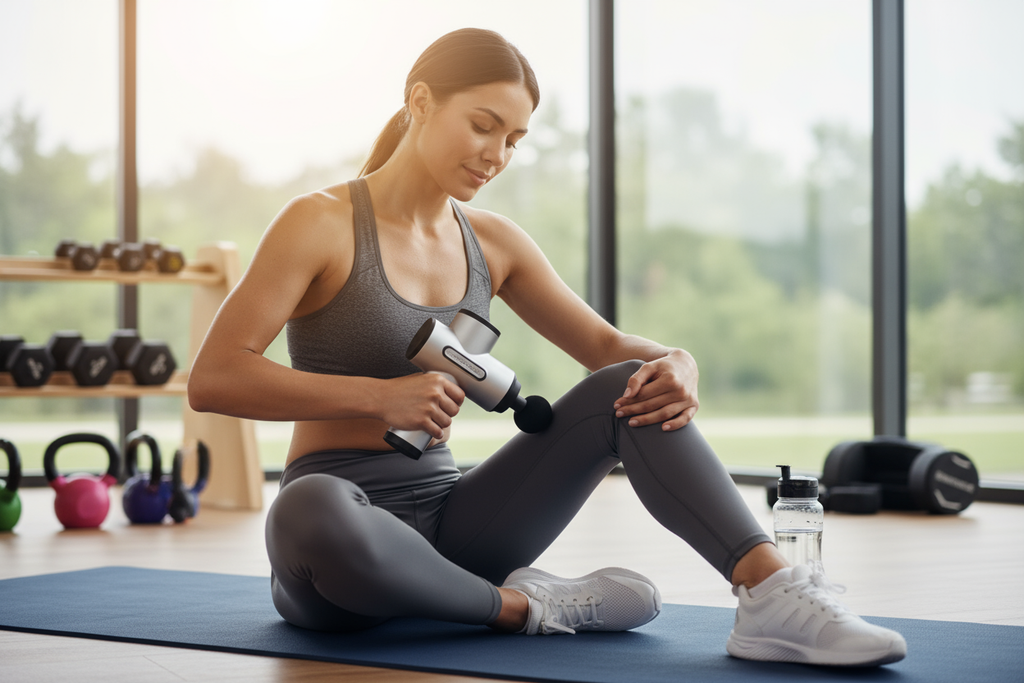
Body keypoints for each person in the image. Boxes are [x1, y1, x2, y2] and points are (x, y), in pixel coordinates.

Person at [188, 27, 906, 667]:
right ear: (420, 102)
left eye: (515, 139)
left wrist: (678, 362)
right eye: (483, 125)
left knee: (629, 383)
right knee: (305, 507)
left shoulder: (493, 243)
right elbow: (215, 378)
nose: (497, 154)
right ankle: (529, 608)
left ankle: (770, 592)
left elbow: (604, 344)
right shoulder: (319, 223)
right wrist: (378, 395)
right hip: (338, 551)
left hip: (459, 526)